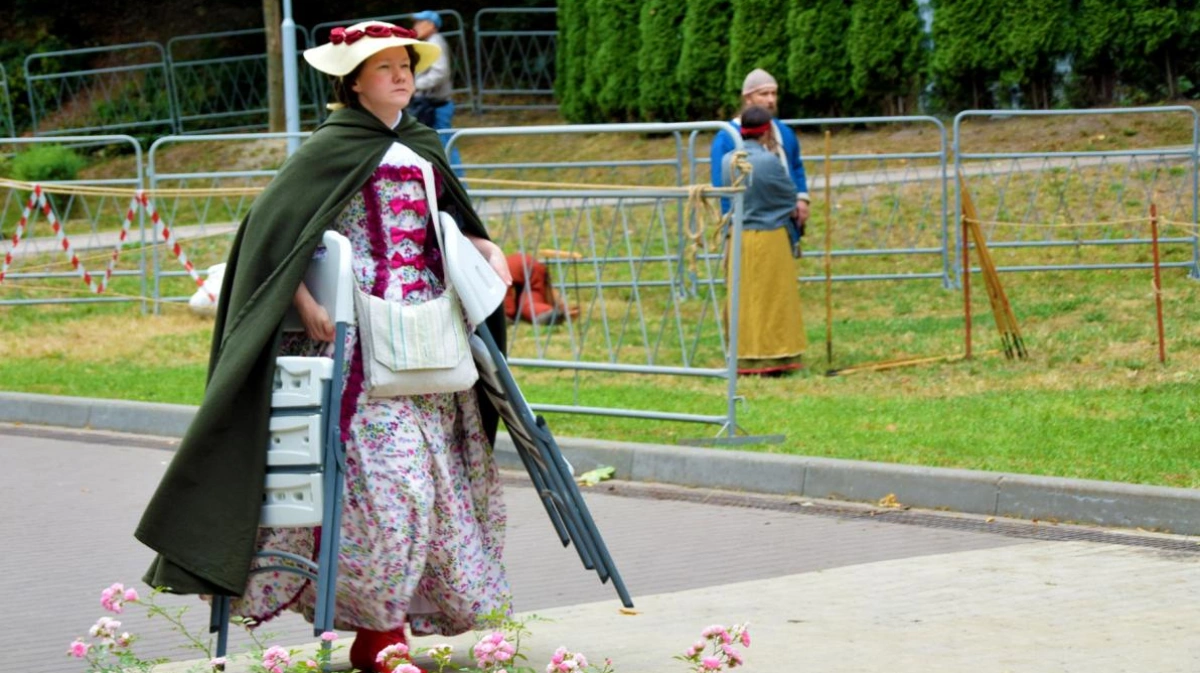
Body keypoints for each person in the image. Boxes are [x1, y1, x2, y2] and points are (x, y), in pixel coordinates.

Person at [134, 21, 513, 673]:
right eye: (385, 66)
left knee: (434, 485)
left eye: (406, 65)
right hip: (358, 351)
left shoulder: (420, 145)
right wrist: (303, 303)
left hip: (428, 345)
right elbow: (271, 235)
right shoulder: (329, 149)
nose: (401, 76)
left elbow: (442, 227)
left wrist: (483, 246)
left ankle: (389, 632)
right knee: (390, 490)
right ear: (354, 81)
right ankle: (380, 637)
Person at [720, 105, 807, 375]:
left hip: (739, 238)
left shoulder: (728, 160)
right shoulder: (769, 161)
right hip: (770, 237)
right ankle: (774, 355)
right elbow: (787, 195)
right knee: (772, 297)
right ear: (767, 131)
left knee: (743, 297)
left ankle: (743, 354)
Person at [710, 68, 810, 230]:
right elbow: (722, 185)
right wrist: (729, 222)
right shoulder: (727, 137)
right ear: (748, 98)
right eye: (763, 94)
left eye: (774, 93)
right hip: (747, 222)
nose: (771, 100)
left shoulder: (784, 131)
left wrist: (801, 199)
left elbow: (795, 166)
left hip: (784, 220)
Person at [408, 9, 463, 171]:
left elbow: (440, 73)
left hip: (437, 106)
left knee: (446, 146)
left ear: (431, 25)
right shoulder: (431, 41)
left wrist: (416, 86)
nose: (415, 26)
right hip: (432, 104)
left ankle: (460, 185)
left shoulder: (435, 42)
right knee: (440, 145)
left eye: (419, 22)